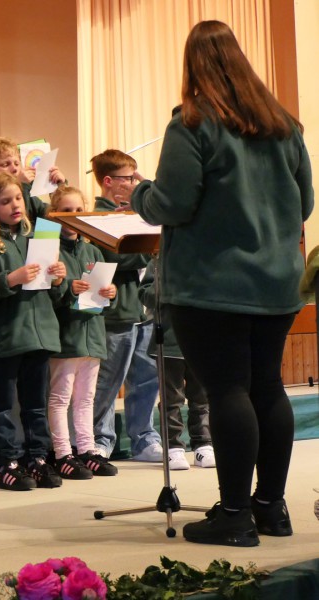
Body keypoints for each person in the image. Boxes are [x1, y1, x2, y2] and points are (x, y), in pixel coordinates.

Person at [132, 20, 313, 547]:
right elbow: (304, 203)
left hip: (212, 285)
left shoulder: (192, 123)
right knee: (267, 388)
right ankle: (270, 508)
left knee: (228, 389)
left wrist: (140, 193)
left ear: (193, 66)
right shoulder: (284, 126)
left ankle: (234, 516)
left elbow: (172, 203)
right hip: (277, 283)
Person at [0, 172, 66, 491]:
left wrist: (58, 277)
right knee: (3, 405)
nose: (15, 205)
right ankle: (8, 462)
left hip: (41, 334)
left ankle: (37, 457)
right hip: (7, 336)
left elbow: (56, 294)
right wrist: (10, 279)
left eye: (18, 199)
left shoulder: (39, 237)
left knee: (36, 403)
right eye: (5, 201)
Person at [89, 149, 162, 462]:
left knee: (146, 378)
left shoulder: (136, 213)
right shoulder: (99, 216)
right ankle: (99, 438)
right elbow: (116, 255)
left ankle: (144, 438)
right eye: (128, 178)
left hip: (143, 308)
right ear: (109, 181)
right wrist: (152, 247)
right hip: (115, 311)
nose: (134, 183)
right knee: (107, 381)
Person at [48, 185, 118, 478]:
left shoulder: (93, 250)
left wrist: (110, 294)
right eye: (66, 211)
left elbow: (103, 298)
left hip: (92, 335)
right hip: (66, 336)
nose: (74, 216)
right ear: (55, 214)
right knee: (60, 397)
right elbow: (46, 296)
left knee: (86, 398)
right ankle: (62, 452)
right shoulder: (51, 250)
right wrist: (68, 288)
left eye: (79, 210)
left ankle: (87, 450)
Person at [138, 259, 213, 471]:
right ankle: (173, 447)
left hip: (202, 339)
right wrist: (167, 285)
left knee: (202, 398)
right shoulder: (161, 259)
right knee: (172, 399)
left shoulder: (207, 256)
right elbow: (145, 294)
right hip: (169, 341)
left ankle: (203, 444)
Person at [0, 136, 67, 227]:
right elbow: (19, 227)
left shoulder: (30, 197)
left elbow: (55, 221)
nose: (15, 169)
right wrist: (22, 186)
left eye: (17, 164)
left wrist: (58, 189)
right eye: (5, 164)